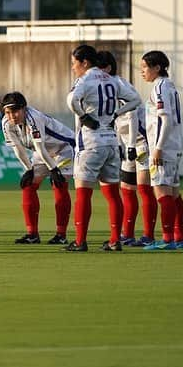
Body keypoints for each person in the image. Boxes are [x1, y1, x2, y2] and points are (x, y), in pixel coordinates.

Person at [65, 44, 141, 252]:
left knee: (83, 192)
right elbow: (135, 99)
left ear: (85, 62)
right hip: (111, 140)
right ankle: (115, 240)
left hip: (90, 140)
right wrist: (117, 113)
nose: (73, 68)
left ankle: (80, 241)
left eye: (74, 63)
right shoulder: (112, 79)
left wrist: (83, 115)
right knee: (113, 194)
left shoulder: (85, 79)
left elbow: (71, 99)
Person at [97, 51, 157, 247]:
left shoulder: (117, 84)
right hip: (127, 142)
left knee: (144, 189)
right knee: (127, 190)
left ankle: (148, 235)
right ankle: (128, 234)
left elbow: (131, 115)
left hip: (141, 141)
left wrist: (130, 145)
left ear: (106, 68)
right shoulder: (103, 86)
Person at [0, 92, 74, 245]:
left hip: (64, 149)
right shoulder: (6, 123)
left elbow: (39, 146)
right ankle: (32, 234)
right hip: (42, 152)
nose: (12, 116)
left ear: (24, 109)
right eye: (8, 112)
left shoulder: (34, 118)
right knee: (28, 185)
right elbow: (17, 148)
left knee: (58, 185)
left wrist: (53, 170)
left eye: (15, 111)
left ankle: (61, 235)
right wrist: (28, 169)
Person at [140, 50, 183, 250]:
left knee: (162, 192)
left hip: (164, 148)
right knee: (174, 194)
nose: (142, 72)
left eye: (144, 67)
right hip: (174, 145)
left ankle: (167, 239)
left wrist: (157, 148)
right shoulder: (170, 86)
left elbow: (165, 119)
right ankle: (179, 237)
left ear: (157, 68)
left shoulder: (159, 87)